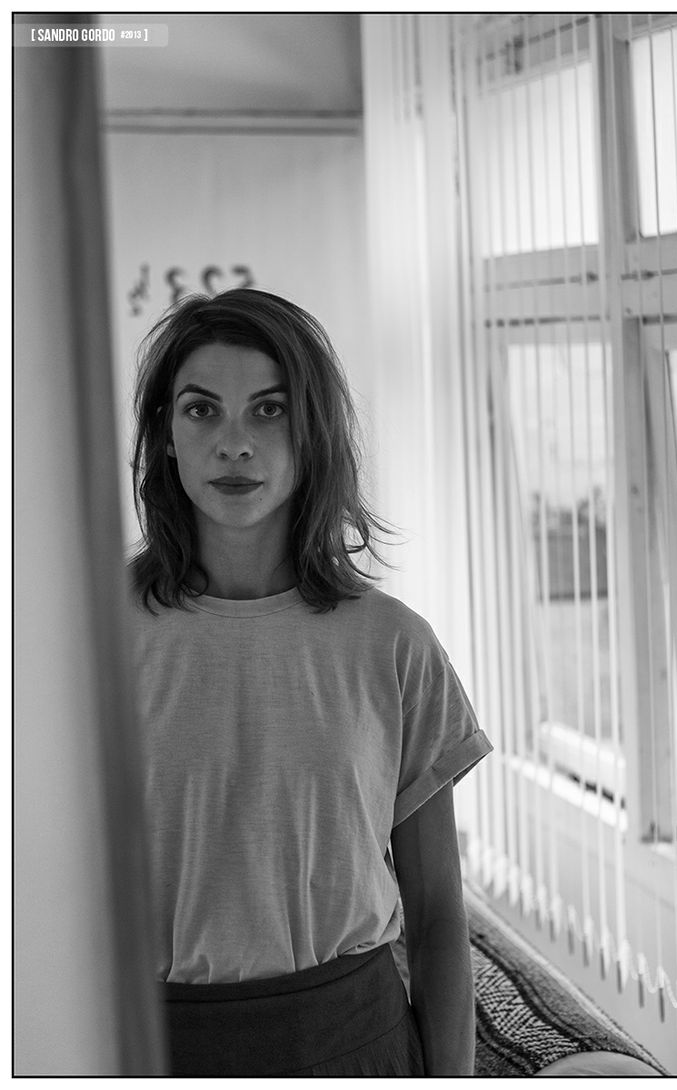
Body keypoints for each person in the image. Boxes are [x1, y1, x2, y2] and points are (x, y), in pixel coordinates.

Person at [129, 287, 492, 1076]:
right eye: (201, 411)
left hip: (351, 1039)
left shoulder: (394, 645)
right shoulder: (86, 642)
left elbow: (436, 921)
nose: (235, 444)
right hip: (149, 1046)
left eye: (269, 410)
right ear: (163, 436)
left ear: (313, 430)